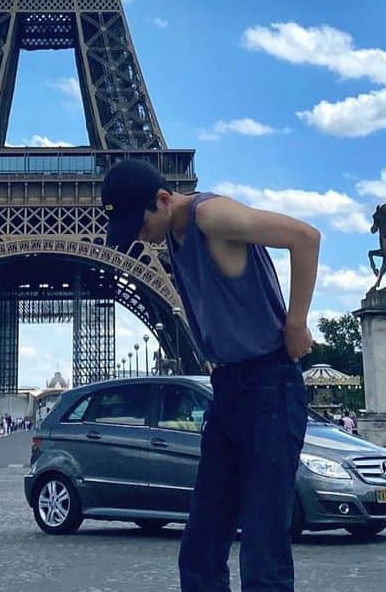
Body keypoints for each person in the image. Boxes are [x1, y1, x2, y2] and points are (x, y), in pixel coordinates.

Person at [101, 158, 319, 592]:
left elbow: (305, 237)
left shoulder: (210, 215)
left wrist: (297, 321)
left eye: (139, 224)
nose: (139, 238)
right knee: (200, 549)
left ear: (163, 199)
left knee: (263, 550)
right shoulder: (174, 236)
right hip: (231, 391)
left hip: (270, 386)